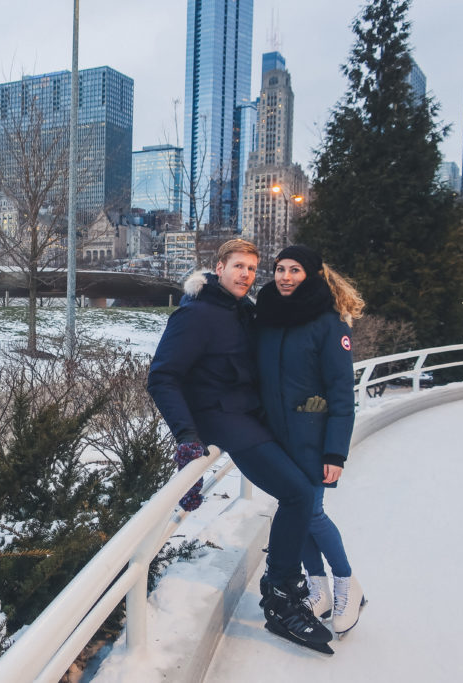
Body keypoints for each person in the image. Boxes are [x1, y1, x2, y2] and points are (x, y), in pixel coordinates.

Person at [147, 239, 333, 652]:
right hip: (224, 420)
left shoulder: (244, 311)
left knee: (303, 486)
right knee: (298, 492)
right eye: (238, 266)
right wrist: (187, 438)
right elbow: (162, 377)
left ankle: (293, 583)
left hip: (252, 415)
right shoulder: (195, 316)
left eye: (252, 267)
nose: (246, 274)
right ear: (218, 267)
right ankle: (280, 593)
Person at [253, 244, 367, 637]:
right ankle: (315, 585)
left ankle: (347, 584)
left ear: (312, 275)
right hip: (276, 437)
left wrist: (336, 450)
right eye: (280, 269)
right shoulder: (266, 316)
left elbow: (340, 391)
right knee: (294, 508)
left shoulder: (329, 323)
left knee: (311, 513)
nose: (284, 276)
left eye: (295, 270)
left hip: (313, 440)